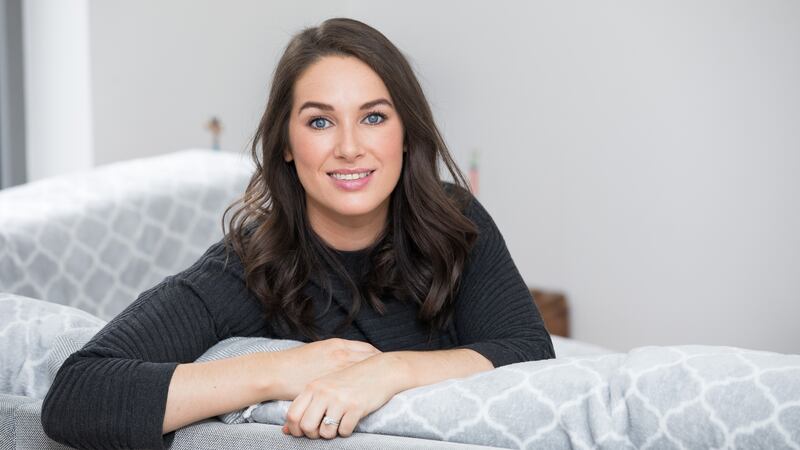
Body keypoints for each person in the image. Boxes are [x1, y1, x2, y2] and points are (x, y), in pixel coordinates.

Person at [41, 17, 555, 449]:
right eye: (320, 123)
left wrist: (390, 372)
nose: (350, 147)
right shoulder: (245, 268)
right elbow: (77, 394)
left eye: (373, 117)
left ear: (406, 134)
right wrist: (279, 371)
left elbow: (530, 352)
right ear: (286, 143)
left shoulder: (454, 219)